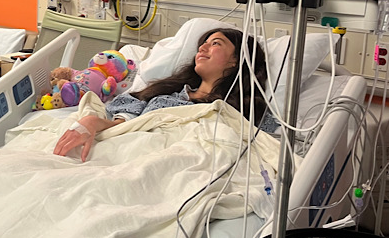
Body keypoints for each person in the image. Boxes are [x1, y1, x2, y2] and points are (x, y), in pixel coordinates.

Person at [53, 28, 269, 162]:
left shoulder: (242, 109)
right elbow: (125, 127)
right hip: (130, 156)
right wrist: (92, 122)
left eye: (215, 44)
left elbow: (267, 146)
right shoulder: (163, 95)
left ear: (236, 61)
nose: (202, 47)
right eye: (203, 43)